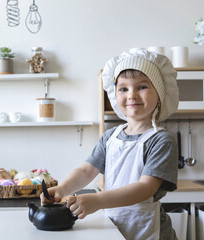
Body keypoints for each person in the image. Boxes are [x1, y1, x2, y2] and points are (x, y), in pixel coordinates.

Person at [41, 50, 179, 240]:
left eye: (142, 87)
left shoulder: (161, 140)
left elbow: (145, 188)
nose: (132, 95)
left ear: (160, 95)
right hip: (113, 225)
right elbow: (86, 171)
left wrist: (97, 200)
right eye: (123, 89)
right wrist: (62, 189)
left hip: (149, 228)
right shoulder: (110, 137)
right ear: (114, 96)